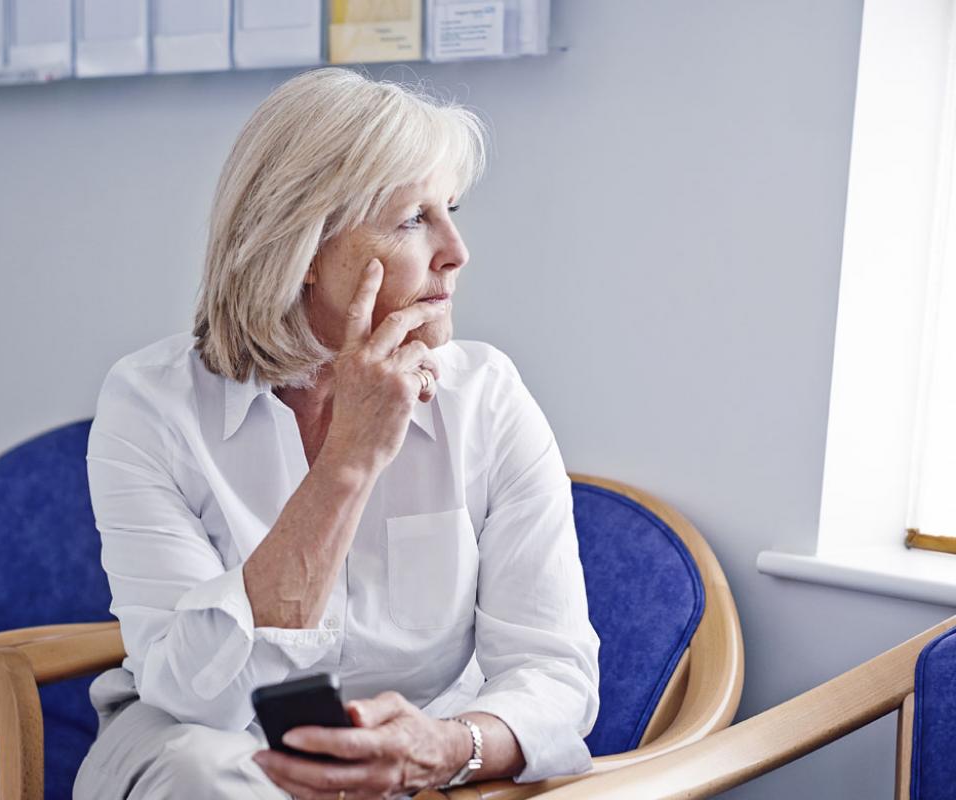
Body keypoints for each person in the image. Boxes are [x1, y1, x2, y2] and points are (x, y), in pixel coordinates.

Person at [73, 67, 600, 800]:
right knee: (206, 774)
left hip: (421, 765)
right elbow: (196, 697)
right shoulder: (151, 403)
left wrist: (446, 747)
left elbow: (554, 673)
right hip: (202, 750)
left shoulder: (487, 398)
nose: (457, 250)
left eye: (451, 209)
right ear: (304, 249)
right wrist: (348, 463)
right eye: (414, 219)